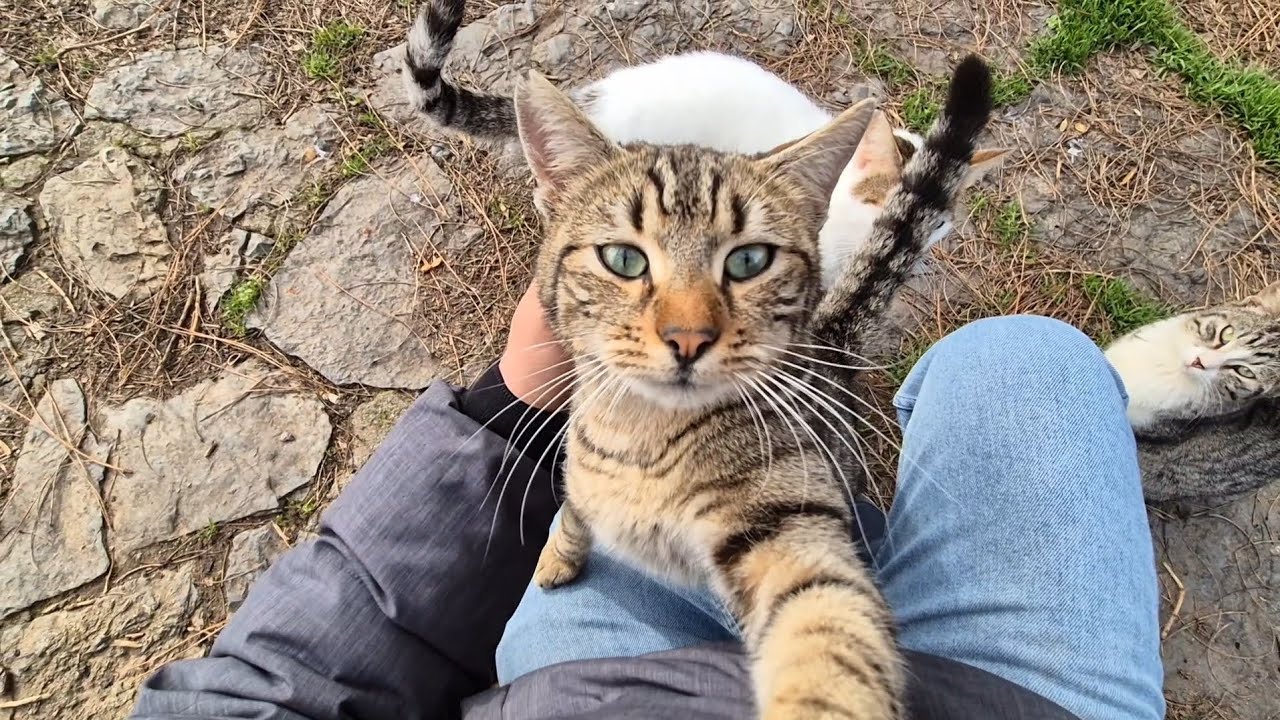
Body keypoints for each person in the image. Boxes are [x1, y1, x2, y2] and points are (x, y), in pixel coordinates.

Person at [129, 286, 1166, 720]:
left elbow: (273, 689)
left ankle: (838, 518)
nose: (684, 323)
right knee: (1024, 361)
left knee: (619, 500)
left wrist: (509, 408)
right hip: (999, 704)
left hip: (584, 687)